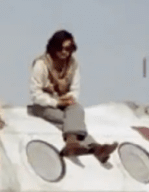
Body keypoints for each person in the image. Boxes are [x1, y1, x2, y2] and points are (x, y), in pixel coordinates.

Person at [28, 29, 118, 163]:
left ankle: (75, 145)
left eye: (68, 48)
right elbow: (35, 94)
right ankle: (94, 147)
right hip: (44, 105)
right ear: (53, 47)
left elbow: (75, 89)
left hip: (64, 104)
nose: (64, 52)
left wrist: (68, 99)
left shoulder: (73, 65)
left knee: (77, 109)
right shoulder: (41, 64)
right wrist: (56, 103)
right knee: (70, 121)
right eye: (60, 48)